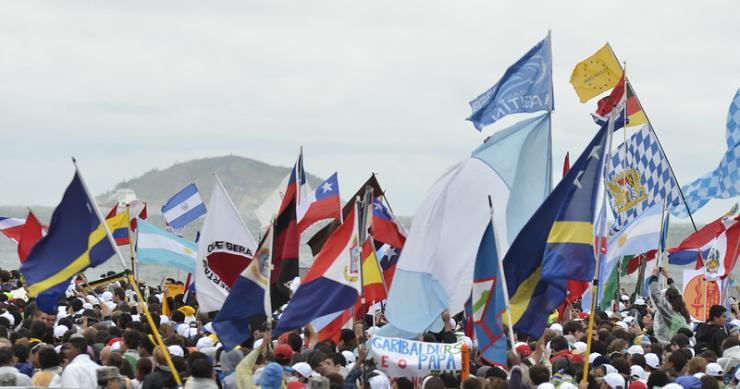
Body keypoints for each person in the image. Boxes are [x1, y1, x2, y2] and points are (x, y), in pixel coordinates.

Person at [648, 267, 690, 345]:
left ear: (666, 297)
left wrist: (654, 276)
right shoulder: (681, 310)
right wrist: (668, 277)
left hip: (668, 343)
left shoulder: (668, 310)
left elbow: (655, 294)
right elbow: (676, 293)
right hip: (680, 342)